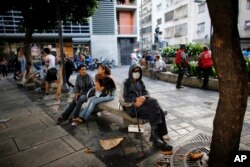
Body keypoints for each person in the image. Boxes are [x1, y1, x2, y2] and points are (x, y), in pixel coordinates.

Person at [119, 64, 173, 151]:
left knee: (155, 104)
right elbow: (122, 99)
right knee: (158, 111)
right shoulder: (126, 82)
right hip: (132, 107)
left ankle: (157, 138)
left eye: (138, 71)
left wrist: (144, 98)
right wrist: (135, 100)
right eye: (134, 71)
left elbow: (146, 93)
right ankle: (157, 139)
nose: (136, 73)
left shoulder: (140, 82)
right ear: (130, 72)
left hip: (142, 104)